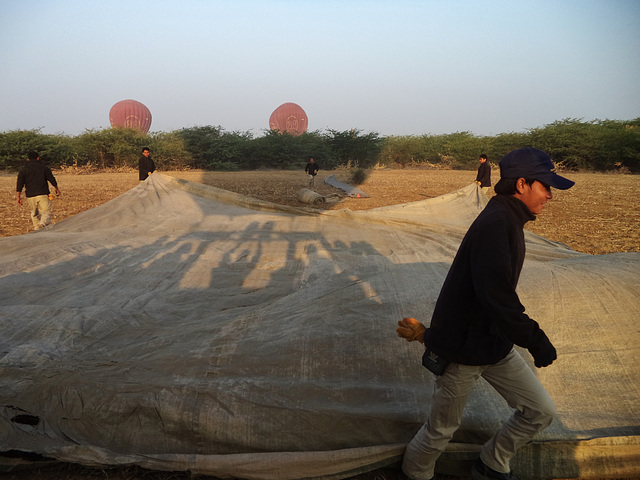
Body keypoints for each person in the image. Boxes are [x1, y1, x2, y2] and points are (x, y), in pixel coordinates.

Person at [397, 148, 575, 480]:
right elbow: (496, 295)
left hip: (493, 344)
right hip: (463, 349)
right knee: (441, 430)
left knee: (540, 411)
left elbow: (495, 297)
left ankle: (491, 463)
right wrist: (535, 340)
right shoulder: (497, 223)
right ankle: (415, 475)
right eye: (545, 186)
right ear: (522, 184)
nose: (550, 195)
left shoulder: (509, 219)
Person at [16, 151, 61, 231]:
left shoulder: (23, 169)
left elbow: (19, 184)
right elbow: (52, 179)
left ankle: (37, 231)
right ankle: (41, 225)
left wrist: (18, 197)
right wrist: (57, 189)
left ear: (28, 159)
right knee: (47, 212)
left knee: (34, 214)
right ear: (38, 158)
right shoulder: (44, 167)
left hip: (30, 196)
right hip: (42, 194)